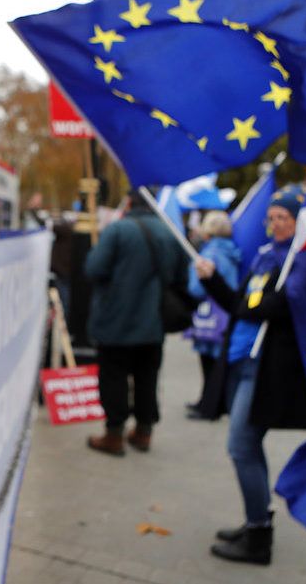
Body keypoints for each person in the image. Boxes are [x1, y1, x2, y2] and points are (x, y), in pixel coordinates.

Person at [194, 185, 306, 565]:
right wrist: (211, 279)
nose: (277, 223)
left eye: (285, 218)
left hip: (267, 370)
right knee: (249, 445)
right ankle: (256, 522)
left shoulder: (305, 261)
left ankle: (259, 538)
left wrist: (255, 304)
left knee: (241, 445)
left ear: (299, 222)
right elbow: (239, 305)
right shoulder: (265, 258)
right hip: (241, 360)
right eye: (274, 217)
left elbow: (280, 306)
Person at [84, 192, 183, 455]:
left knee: (114, 377)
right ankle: (144, 431)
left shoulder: (117, 230)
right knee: (147, 377)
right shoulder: (168, 232)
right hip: (153, 322)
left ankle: (114, 434)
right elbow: (180, 275)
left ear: (128, 203)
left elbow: (94, 268)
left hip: (116, 320)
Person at [185, 210, 240, 420]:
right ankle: (211, 401)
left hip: (209, 314)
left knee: (208, 361)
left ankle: (209, 404)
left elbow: (196, 288)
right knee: (218, 359)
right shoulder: (233, 252)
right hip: (226, 312)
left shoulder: (208, 254)